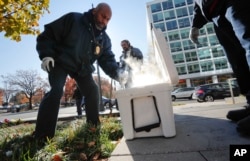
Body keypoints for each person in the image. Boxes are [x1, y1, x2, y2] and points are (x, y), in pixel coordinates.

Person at [34, 3, 126, 139]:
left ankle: (93, 128)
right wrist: (46, 54)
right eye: (103, 16)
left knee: (92, 91)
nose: (104, 21)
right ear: (95, 11)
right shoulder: (73, 19)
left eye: (108, 19)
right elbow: (48, 35)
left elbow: (108, 61)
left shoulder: (104, 40)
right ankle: (42, 136)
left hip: (81, 67)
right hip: (61, 61)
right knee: (56, 90)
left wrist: (121, 75)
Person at [189, 0, 250, 135]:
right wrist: (195, 25)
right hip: (216, 13)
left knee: (248, 42)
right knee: (237, 58)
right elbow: (198, 3)